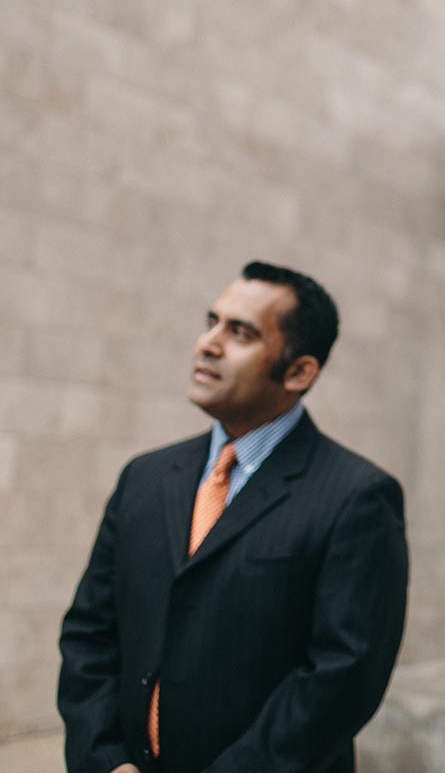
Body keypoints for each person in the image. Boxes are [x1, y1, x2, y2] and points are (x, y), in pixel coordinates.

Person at [58, 261, 408, 773]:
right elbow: (89, 632)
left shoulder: (357, 497)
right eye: (212, 323)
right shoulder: (146, 476)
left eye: (240, 333)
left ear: (299, 371)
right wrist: (105, 759)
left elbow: (340, 680)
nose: (209, 343)